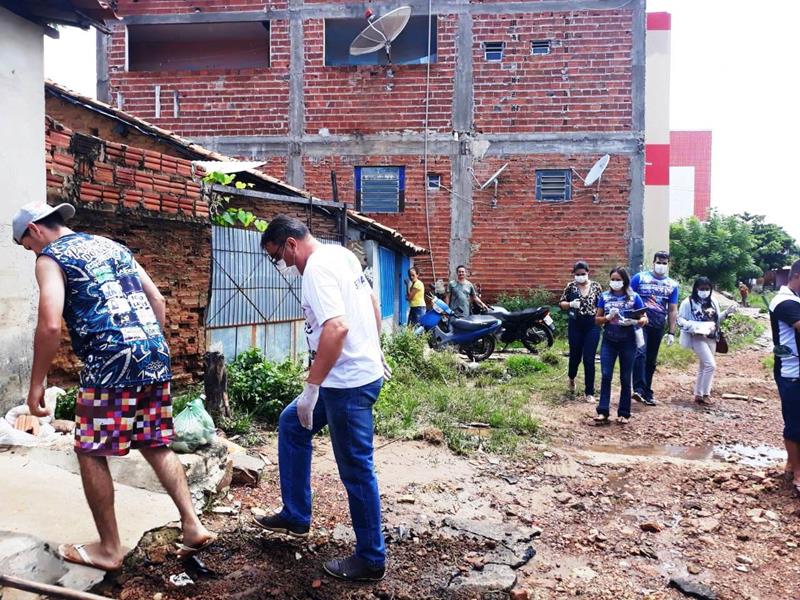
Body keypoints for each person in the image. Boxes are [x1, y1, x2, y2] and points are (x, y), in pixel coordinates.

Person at [12, 201, 214, 571]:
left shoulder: (51, 257)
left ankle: (108, 548)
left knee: (90, 449)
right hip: (153, 352)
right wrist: (147, 344)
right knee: (155, 442)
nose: (33, 253)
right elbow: (156, 298)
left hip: (110, 362)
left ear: (35, 230)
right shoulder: (112, 245)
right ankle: (192, 524)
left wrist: (36, 385)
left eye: (28, 246)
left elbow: (50, 325)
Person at [256, 215, 391, 582]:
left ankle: (371, 559)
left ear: (290, 244)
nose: (283, 266)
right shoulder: (341, 255)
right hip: (347, 377)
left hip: (345, 385)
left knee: (356, 469)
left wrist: (311, 387)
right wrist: (376, 350)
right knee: (291, 424)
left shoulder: (315, 268)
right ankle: (296, 515)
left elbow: (337, 327)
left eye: (279, 258)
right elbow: (372, 303)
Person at [594, 267, 648, 424]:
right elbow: (597, 319)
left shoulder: (634, 297)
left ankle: (624, 412)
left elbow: (645, 318)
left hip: (628, 341)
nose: (615, 282)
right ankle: (603, 411)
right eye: (613, 279)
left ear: (624, 281)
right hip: (609, 341)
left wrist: (634, 321)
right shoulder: (604, 296)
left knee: (625, 377)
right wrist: (607, 318)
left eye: (618, 279)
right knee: (606, 375)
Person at [677, 277, 737, 405]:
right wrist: (693, 326)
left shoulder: (713, 301)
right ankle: (706, 393)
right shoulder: (688, 303)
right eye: (701, 289)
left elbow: (716, 319)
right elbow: (680, 320)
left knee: (704, 366)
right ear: (696, 289)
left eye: (707, 289)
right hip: (697, 336)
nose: (704, 291)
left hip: (711, 336)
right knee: (711, 365)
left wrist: (727, 312)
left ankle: (698, 394)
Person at [768, 259, 800, 496]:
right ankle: (797, 473)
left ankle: (791, 466)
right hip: (791, 372)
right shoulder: (784, 301)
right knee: (795, 423)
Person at [631, 251, 679, 406]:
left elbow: (672, 309)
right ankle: (638, 388)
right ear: (653, 262)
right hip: (640, 323)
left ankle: (647, 391)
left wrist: (671, 331)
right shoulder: (639, 278)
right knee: (640, 353)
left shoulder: (672, 285)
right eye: (659, 262)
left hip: (658, 325)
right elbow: (628, 298)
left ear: (668, 265)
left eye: (664, 263)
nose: (661, 266)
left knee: (651, 360)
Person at [559, 261, 603, 404]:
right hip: (576, 324)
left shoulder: (596, 287)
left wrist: (600, 316)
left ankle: (589, 392)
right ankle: (571, 378)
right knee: (575, 357)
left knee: (589, 359)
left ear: (588, 272)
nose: (580, 277)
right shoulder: (570, 287)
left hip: (592, 325)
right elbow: (561, 303)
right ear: (574, 275)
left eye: (583, 274)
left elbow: (602, 304)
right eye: (577, 274)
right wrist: (571, 304)